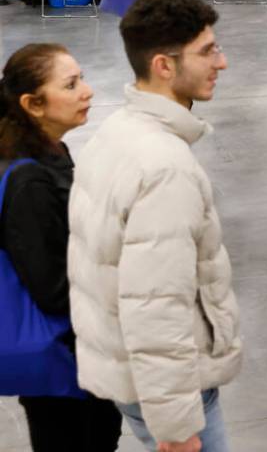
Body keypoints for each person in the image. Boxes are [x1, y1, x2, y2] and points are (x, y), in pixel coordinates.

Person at [68, 0, 241, 452]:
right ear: (164, 65)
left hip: (130, 376)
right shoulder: (164, 167)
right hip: (172, 394)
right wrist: (177, 425)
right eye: (207, 51)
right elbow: (157, 307)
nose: (220, 63)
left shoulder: (115, 132)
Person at [0, 44, 123, 451]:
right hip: (63, 360)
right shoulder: (28, 179)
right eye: (71, 85)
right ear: (33, 104)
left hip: (81, 351)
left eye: (82, 78)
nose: (87, 91)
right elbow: (53, 288)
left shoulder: (52, 150)